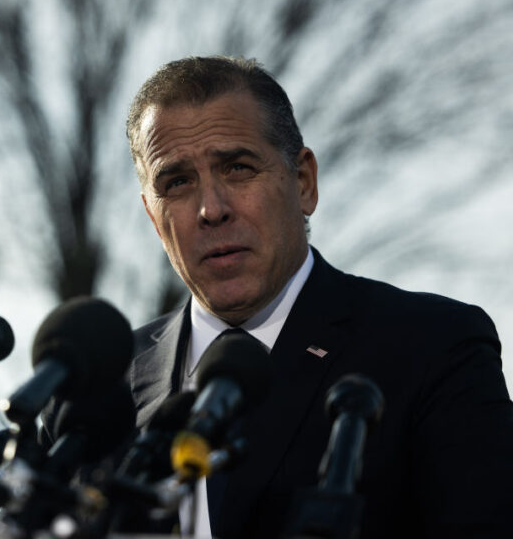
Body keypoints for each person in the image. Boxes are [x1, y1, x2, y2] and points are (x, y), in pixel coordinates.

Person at [125, 56, 513, 538]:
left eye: (238, 168)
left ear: (304, 183)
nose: (211, 209)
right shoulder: (96, 387)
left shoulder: (433, 347)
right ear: (152, 216)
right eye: (177, 182)